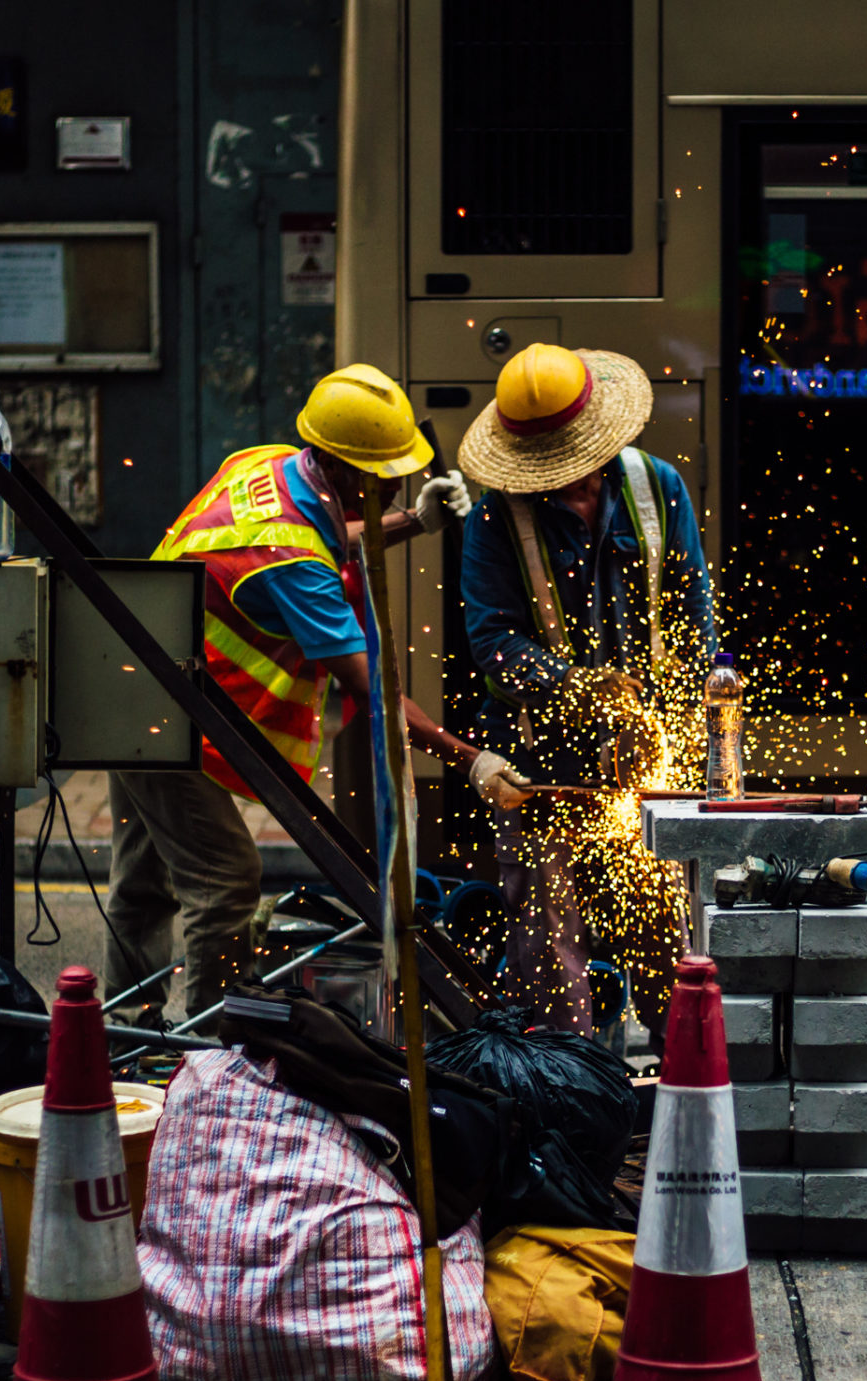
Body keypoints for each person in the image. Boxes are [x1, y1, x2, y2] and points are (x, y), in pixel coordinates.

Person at [104, 363, 481, 1031]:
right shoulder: (290, 562)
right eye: (386, 476)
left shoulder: (272, 464)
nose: (398, 482)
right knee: (224, 883)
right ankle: (216, 1047)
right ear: (340, 471)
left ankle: (127, 1026)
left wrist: (410, 523)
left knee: (144, 879)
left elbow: (328, 533)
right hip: (168, 709)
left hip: (133, 682)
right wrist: (466, 757)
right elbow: (374, 691)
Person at [454, 343, 717, 1036]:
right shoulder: (491, 523)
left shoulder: (657, 489)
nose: (564, 485)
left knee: (669, 938)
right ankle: (571, 1096)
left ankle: (681, 1087)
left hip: (648, 761)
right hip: (537, 766)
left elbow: (693, 618)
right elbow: (494, 646)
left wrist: (684, 733)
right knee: (549, 951)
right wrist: (577, 688)